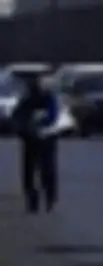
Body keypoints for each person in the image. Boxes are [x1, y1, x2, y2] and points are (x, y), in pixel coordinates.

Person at [13, 70, 62, 213]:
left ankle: (45, 197)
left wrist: (37, 124)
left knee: (41, 170)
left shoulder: (46, 97)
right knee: (37, 170)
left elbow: (53, 116)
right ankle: (41, 198)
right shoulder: (29, 99)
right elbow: (18, 115)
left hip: (43, 136)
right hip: (35, 137)